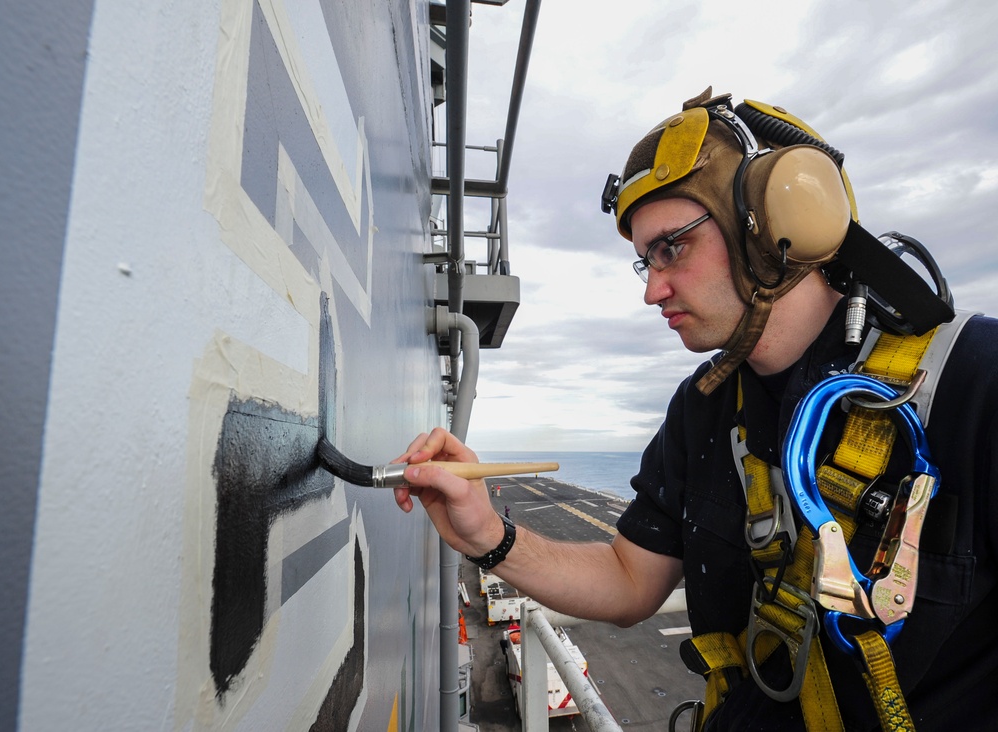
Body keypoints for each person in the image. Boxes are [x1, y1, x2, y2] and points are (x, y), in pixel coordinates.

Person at [393, 88, 997, 730]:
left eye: (672, 248)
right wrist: (486, 534)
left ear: (778, 224)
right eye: (645, 261)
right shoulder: (705, 407)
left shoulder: (974, 381)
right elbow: (631, 581)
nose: (653, 290)